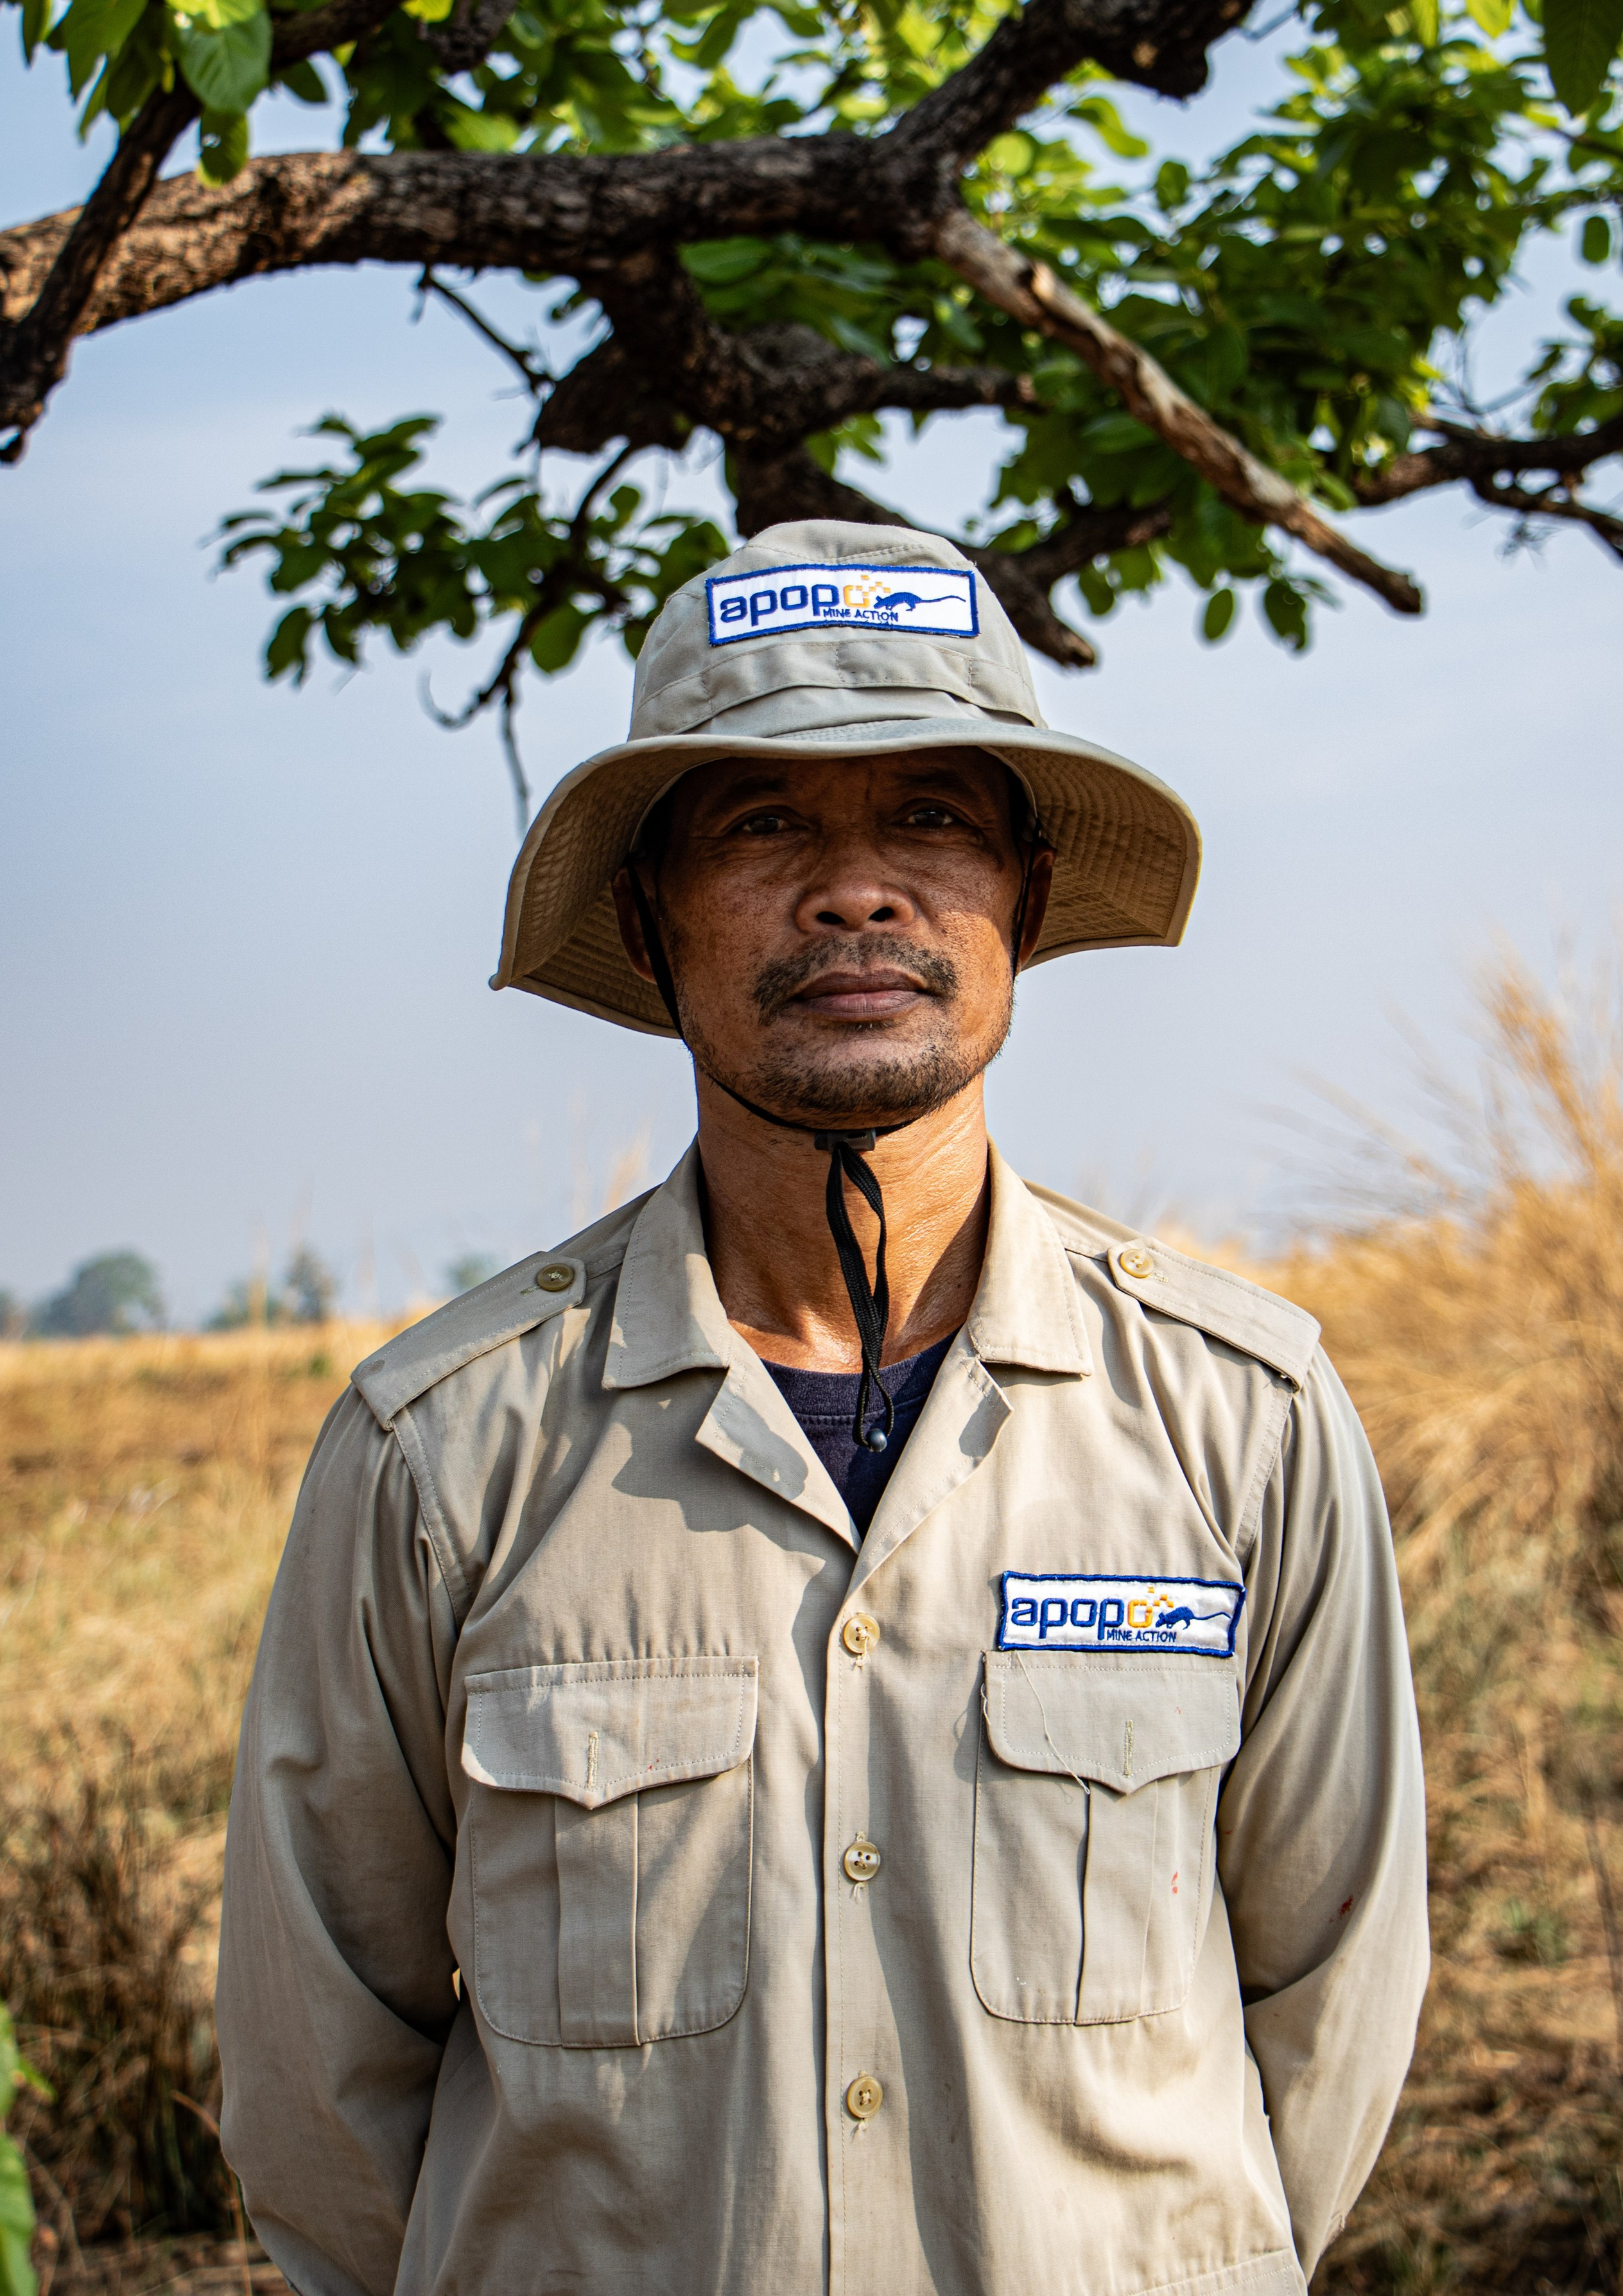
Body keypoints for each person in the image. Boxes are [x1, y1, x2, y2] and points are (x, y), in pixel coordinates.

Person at [217, 519, 1428, 2296]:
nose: (858, 891)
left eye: (932, 816)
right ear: (649, 912)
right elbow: (322, 2084)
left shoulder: (1238, 1415)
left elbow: (1331, 2009)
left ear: (1020, 889)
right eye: (764, 822)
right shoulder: (445, 1449)